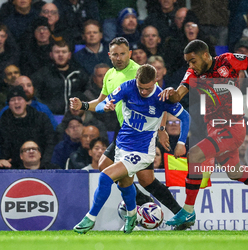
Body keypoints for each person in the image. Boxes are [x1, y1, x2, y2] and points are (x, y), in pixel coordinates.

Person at [158, 39, 248, 228]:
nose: (190, 65)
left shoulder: (229, 60)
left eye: (193, 61)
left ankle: (187, 211)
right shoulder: (193, 73)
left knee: (194, 154)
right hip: (214, 127)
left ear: (205, 55)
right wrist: (170, 91)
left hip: (233, 126)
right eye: (188, 62)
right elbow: (178, 95)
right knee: (234, 173)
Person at [70, 37, 185, 227]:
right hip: (125, 132)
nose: (119, 57)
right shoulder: (109, 75)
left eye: (123, 53)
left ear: (129, 54)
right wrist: (82, 105)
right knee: (131, 175)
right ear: (109, 55)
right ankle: (156, 209)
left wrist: (162, 129)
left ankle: (150, 208)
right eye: (115, 54)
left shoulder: (138, 72)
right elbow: (101, 101)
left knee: (117, 171)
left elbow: (161, 100)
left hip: (141, 134)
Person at [0, 86, 55, 169]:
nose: (16, 102)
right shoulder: (3, 123)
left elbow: (50, 141)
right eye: (12, 100)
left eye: (19, 99)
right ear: (9, 105)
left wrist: (44, 163)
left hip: (40, 165)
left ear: (26, 102)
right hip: (12, 168)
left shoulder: (41, 119)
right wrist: (1, 159)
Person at [31, 40, 88, 115]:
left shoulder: (79, 74)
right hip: (50, 117)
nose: (60, 55)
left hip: (76, 118)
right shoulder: (42, 75)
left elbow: (87, 94)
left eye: (64, 52)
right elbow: (35, 96)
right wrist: (45, 110)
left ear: (69, 55)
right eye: (57, 52)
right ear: (51, 55)